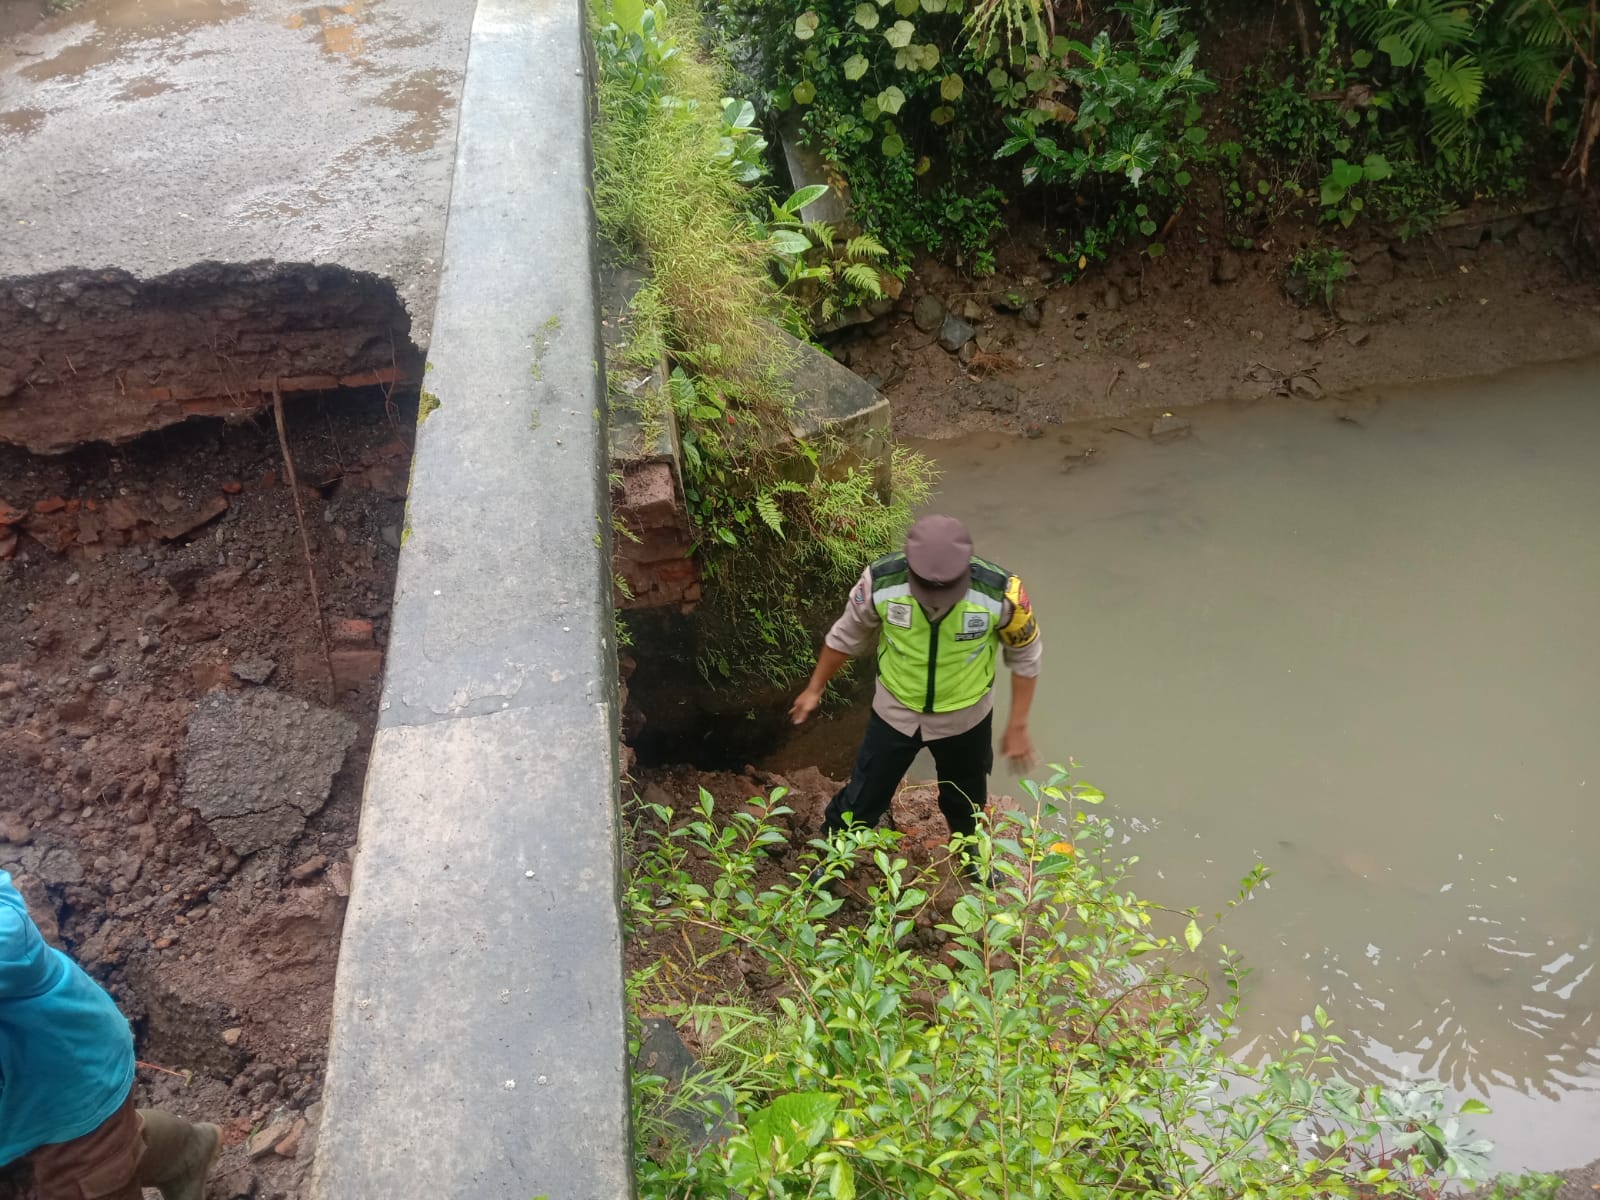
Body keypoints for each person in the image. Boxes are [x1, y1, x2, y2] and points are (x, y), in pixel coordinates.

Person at [789, 514, 1042, 875]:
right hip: (895, 712)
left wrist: (1017, 725)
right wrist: (814, 689)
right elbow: (846, 635)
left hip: (965, 717)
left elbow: (1026, 656)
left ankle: (971, 860)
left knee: (967, 799)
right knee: (863, 797)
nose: (936, 600)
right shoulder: (881, 581)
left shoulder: (1001, 593)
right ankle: (832, 862)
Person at [1, 871, 220, 1200]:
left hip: (69, 1079)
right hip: (22, 1104)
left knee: (90, 1165)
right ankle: (187, 1151)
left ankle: (186, 1154)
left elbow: (14, 938)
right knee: (112, 1143)